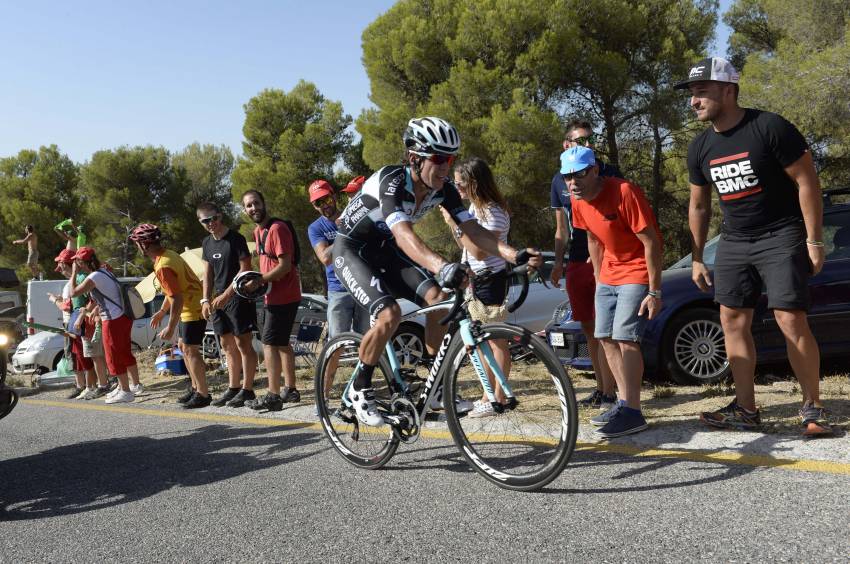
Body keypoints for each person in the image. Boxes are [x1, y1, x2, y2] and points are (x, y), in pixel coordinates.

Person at [332, 116, 541, 427]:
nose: (446, 168)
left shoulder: (443, 190)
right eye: (439, 159)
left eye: (451, 159)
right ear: (415, 158)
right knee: (388, 314)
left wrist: (515, 254)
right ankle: (360, 388)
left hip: (385, 250)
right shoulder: (392, 181)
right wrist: (443, 266)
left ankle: (434, 383)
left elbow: (475, 232)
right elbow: (404, 236)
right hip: (352, 250)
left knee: (438, 297)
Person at [677, 57, 833, 436]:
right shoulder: (700, 147)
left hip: (780, 235)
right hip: (733, 241)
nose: (694, 101)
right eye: (692, 94)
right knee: (731, 320)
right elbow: (699, 205)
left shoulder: (769, 127)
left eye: (702, 92)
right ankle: (745, 409)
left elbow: (807, 183)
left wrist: (814, 240)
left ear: (728, 90)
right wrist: (697, 258)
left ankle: (812, 406)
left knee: (789, 318)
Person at [562, 146, 663, 438]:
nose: (573, 182)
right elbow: (593, 240)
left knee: (625, 337)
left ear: (594, 170)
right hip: (607, 273)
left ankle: (633, 410)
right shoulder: (577, 201)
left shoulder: (625, 192)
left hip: (636, 270)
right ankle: (622, 403)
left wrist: (654, 291)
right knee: (604, 337)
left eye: (579, 174)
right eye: (567, 177)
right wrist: (598, 279)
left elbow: (652, 243)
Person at [550, 120, 618, 409]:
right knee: (590, 330)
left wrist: (605, 250)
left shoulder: (607, 172)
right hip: (577, 260)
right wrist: (557, 264)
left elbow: (617, 217)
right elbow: (561, 229)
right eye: (580, 140)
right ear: (567, 144)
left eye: (590, 140)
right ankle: (602, 390)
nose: (588, 145)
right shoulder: (558, 180)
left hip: (605, 260)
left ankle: (615, 393)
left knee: (609, 330)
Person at [442, 157, 512, 418]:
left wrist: (453, 224)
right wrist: (457, 227)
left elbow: (479, 252)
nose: (456, 189)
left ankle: (497, 397)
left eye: (460, 184)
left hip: (491, 279)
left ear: (474, 183)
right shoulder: (473, 209)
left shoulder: (493, 211)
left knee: (495, 342)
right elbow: (465, 247)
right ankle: (490, 394)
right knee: (482, 342)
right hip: (477, 280)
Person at [130, 224, 209, 409]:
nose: (137, 247)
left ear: (144, 245)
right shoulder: (168, 255)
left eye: (138, 244)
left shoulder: (163, 265)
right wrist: (162, 311)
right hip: (189, 306)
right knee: (183, 346)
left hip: (192, 309)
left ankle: (203, 394)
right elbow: (172, 292)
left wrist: (170, 327)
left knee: (190, 350)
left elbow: (177, 298)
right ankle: (196, 387)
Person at [240, 190, 302, 411]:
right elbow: (269, 263)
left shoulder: (277, 229)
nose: (253, 208)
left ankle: (273, 394)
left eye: (256, 203)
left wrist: (259, 282)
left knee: (269, 344)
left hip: (283, 296)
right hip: (273, 295)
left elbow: (285, 266)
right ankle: (291, 389)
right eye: (248, 205)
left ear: (264, 203)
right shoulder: (259, 231)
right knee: (282, 343)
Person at [197, 202, 259, 408]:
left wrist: (226, 294)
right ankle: (233, 388)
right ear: (201, 222)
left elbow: (245, 269)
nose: (210, 223)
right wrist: (206, 299)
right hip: (218, 301)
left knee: (243, 344)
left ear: (220, 216)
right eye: (205, 221)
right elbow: (207, 273)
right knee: (226, 345)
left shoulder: (236, 239)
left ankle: (248, 389)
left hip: (238, 298)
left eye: (213, 218)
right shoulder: (206, 242)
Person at [69, 247, 142, 404]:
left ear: (82, 262)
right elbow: (104, 295)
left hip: (113, 320)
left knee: (113, 356)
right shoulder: (104, 272)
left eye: (77, 261)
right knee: (123, 353)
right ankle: (127, 387)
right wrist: (95, 308)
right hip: (123, 317)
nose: (75, 263)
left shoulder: (94, 276)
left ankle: (126, 391)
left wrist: (73, 273)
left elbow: (73, 293)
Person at [307, 179, 369, 337]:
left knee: (367, 341)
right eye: (318, 203)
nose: (324, 205)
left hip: (364, 286)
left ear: (334, 196)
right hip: (339, 291)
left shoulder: (355, 215)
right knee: (336, 344)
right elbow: (325, 258)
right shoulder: (315, 228)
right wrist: (345, 231)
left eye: (326, 199)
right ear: (314, 206)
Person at [48, 249, 95, 399]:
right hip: (73, 322)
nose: (59, 269)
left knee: (83, 356)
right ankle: (82, 386)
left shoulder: (76, 281)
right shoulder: (72, 282)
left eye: (60, 265)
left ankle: (89, 386)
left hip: (76, 322)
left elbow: (69, 305)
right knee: (75, 357)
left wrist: (54, 300)